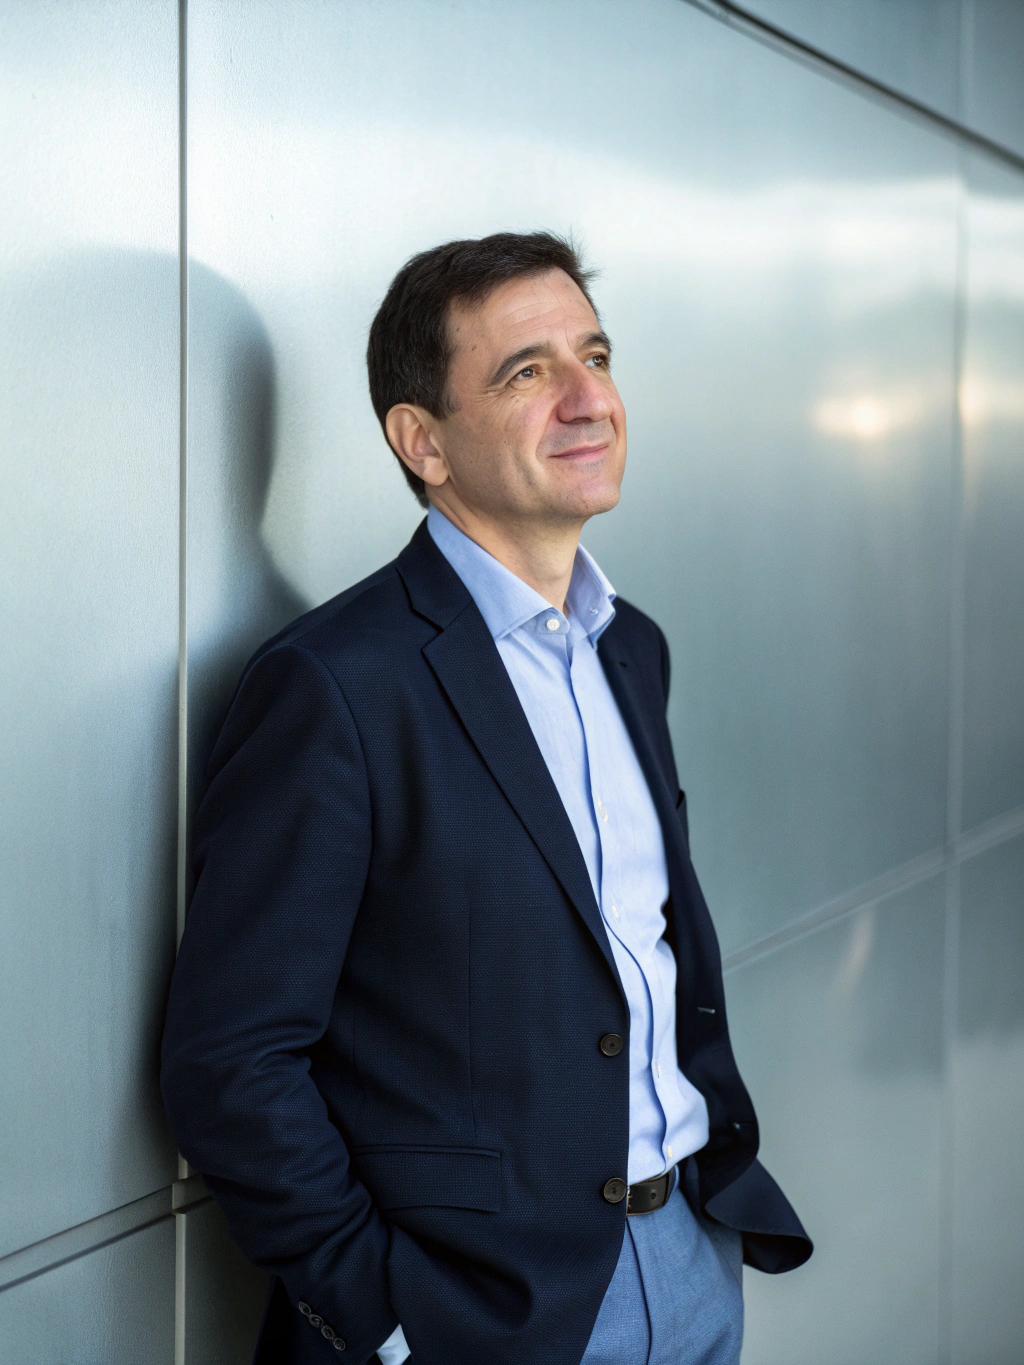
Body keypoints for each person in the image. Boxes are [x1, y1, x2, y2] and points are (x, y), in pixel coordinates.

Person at [161, 231, 811, 1365]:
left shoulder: (631, 648)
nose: (588, 399)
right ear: (423, 441)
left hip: (692, 1256)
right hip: (481, 1313)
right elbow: (231, 1059)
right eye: (525, 372)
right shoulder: (336, 686)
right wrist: (385, 1320)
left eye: (594, 357)